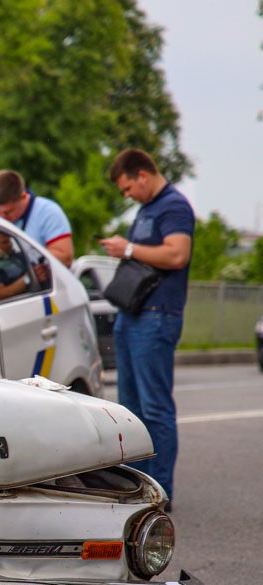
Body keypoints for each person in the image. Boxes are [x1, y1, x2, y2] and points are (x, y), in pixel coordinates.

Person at [99, 148, 194, 507]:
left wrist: (128, 249)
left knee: (154, 409)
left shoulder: (173, 206)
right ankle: (138, 487)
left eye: (127, 188)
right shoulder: (147, 209)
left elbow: (177, 254)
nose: (127, 195)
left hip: (156, 315)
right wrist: (127, 249)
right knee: (131, 410)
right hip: (133, 313)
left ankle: (160, 491)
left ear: (142, 175)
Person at [0, 169, 74, 267]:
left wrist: (39, 264)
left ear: (23, 197)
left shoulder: (49, 213)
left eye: (8, 212)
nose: (2, 217)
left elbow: (66, 257)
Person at [0, 227, 49, 300]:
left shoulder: (21, 256)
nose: (10, 244)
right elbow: (1, 294)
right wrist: (28, 278)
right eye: (4, 242)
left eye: (10, 240)